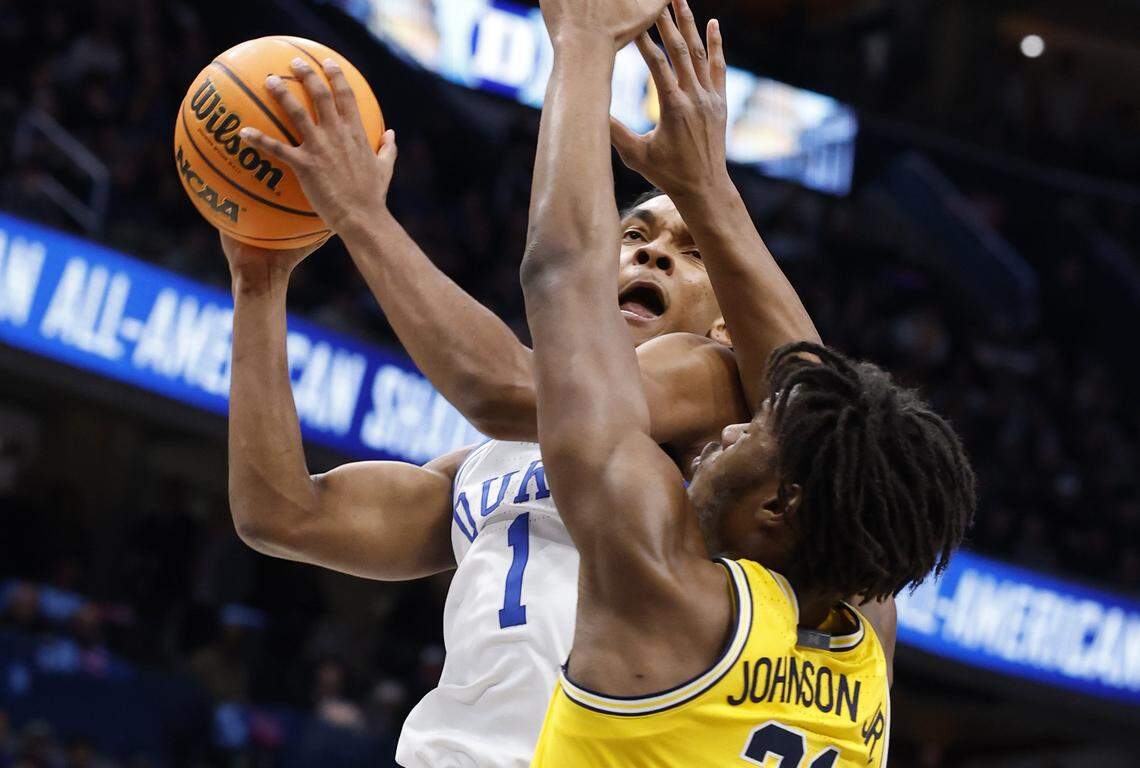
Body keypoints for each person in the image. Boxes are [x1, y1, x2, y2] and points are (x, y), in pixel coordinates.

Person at [225, 6, 873, 765]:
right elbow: (283, 514)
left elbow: (504, 386)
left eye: (690, 253)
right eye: (634, 236)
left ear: (733, 325)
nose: (652, 257)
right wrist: (259, 285)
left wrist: (362, 215)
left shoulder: (716, 400)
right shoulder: (484, 464)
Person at [518, 0, 975, 764]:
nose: (731, 424)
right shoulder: (867, 635)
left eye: (748, 436)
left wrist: (583, 42)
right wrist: (702, 189)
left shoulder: (666, 598)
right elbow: (818, 404)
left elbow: (563, 276)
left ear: (779, 504)